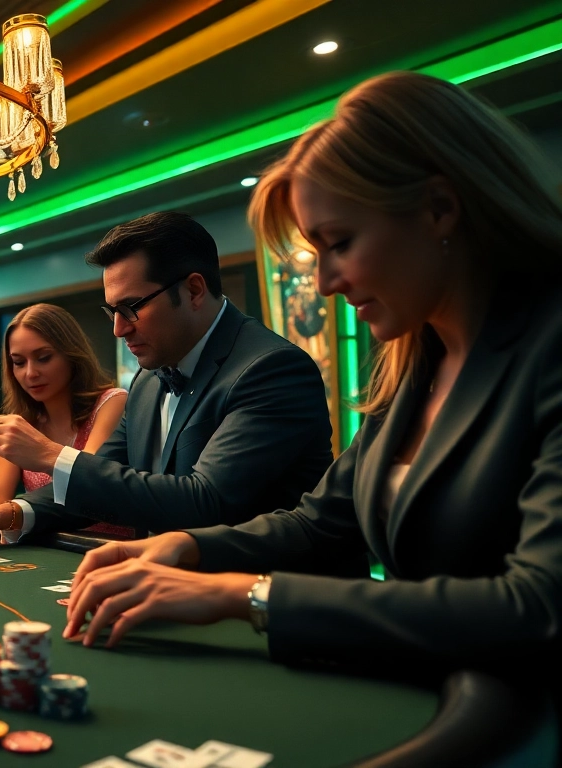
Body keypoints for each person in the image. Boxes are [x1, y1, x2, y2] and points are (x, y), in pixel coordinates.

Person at [61, 73, 562, 698]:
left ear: (439, 209)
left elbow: (538, 607)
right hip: (421, 689)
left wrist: (242, 595)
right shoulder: (413, 365)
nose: (323, 283)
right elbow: (320, 521)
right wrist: (186, 549)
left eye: (340, 243)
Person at [0, 211, 335, 550]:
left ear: (194, 290)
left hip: (262, 603)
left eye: (131, 307)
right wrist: (8, 513)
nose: (118, 329)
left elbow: (206, 501)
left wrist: (50, 455)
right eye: (112, 312)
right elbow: (101, 478)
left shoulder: (271, 368)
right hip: (165, 588)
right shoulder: (149, 379)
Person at [0, 304, 127, 532]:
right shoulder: (21, 422)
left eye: (43, 358)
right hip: (48, 548)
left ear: (72, 354)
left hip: (109, 546)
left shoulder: (111, 402)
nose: (30, 373)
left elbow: (88, 479)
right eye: (18, 362)